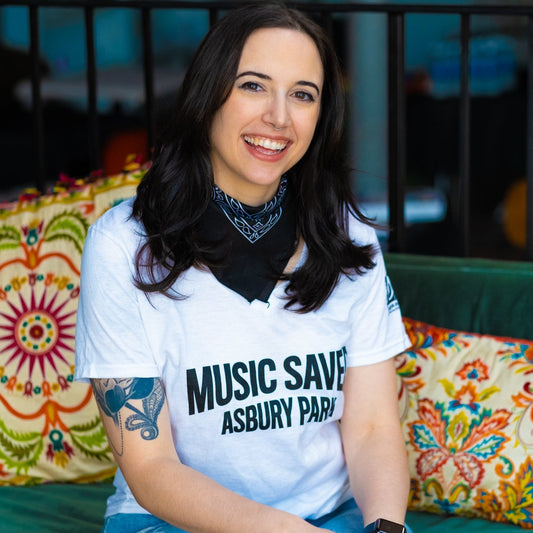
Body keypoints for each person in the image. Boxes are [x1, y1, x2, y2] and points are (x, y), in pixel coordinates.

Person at [75, 3, 413, 532]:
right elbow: (150, 468)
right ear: (208, 94)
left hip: (332, 518)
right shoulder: (122, 245)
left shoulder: (348, 237)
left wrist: (386, 527)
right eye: (253, 86)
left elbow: (372, 428)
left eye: (303, 94)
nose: (279, 117)